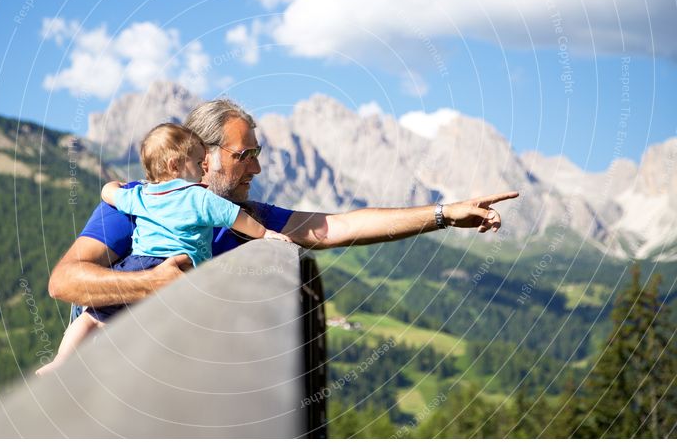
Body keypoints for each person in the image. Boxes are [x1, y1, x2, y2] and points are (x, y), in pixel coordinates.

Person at [47, 99, 519, 322]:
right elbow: (64, 282)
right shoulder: (139, 200)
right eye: (243, 155)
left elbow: (341, 226)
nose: (256, 165)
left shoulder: (251, 219)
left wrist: (443, 213)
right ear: (203, 157)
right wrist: (152, 282)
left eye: (257, 153)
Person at [37, 123, 291, 374]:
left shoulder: (142, 195)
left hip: (134, 265)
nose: (204, 167)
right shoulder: (199, 196)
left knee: (91, 318)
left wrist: (111, 185)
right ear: (174, 165)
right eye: (198, 161)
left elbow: (110, 194)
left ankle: (60, 362)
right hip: (172, 268)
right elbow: (236, 217)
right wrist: (265, 233)